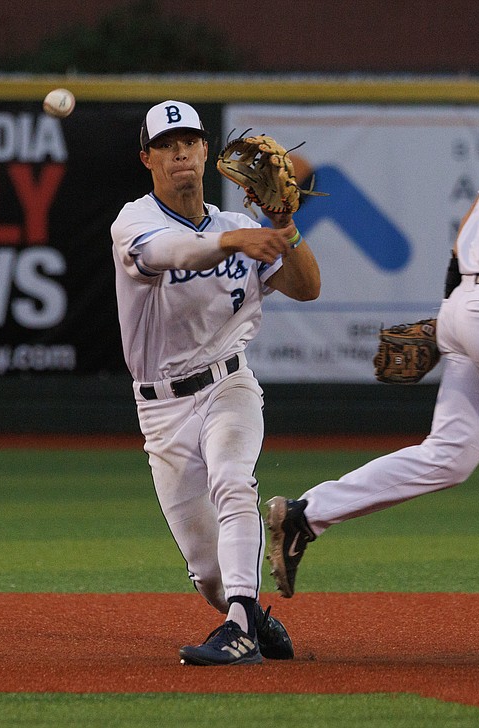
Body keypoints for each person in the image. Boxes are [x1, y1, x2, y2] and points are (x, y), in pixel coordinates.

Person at [266, 28, 479, 598]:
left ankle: (306, 514)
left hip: (476, 305)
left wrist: (454, 310)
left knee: (448, 457)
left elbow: (473, 221)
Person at [110, 100, 321, 666]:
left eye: (190, 140)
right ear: (147, 158)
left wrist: (282, 225)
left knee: (233, 479)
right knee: (209, 576)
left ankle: (242, 629)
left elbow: (307, 288)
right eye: (167, 144)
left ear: (205, 151)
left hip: (229, 384)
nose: (180, 151)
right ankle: (248, 615)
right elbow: (165, 253)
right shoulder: (135, 222)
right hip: (161, 409)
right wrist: (234, 243)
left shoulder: (242, 227)